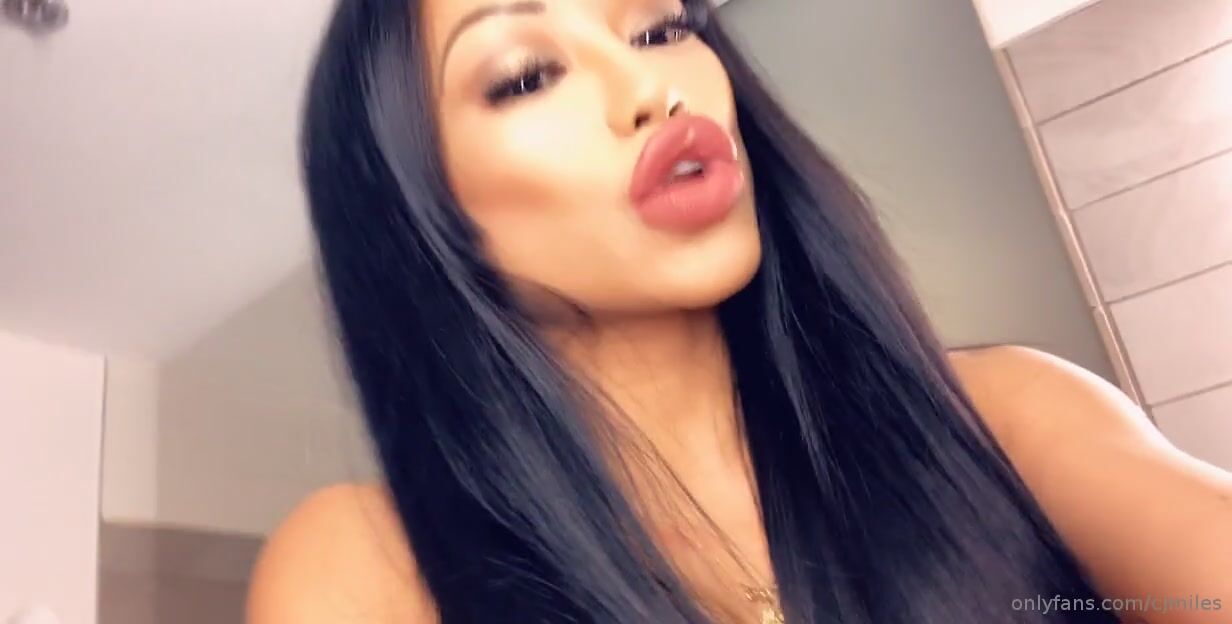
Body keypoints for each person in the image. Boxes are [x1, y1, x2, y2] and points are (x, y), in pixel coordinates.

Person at [246, 0, 1232, 622]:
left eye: (660, 29)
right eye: (526, 75)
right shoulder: (371, 564)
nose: (649, 86)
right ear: (416, 214)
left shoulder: (1006, 416)